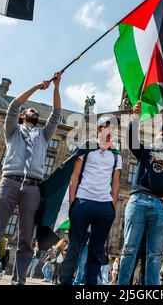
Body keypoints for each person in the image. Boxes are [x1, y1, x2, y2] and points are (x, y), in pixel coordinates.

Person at [0, 72, 62, 285]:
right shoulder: (12, 131)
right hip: (10, 180)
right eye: (29, 110)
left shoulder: (44, 135)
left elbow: (57, 112)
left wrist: (56, 86)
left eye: (35, 111)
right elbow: (14, 104)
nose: (33, 110)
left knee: (25, 239)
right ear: (23, 116)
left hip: (33, 187)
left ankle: (19, 281)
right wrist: (36, 87)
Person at [118, 101, 163, 285]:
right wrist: (135, 118)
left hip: (160, 206)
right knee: (129, 248)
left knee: (155, 254)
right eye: (162, 132)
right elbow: (131, 140)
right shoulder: (145, 151)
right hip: (138, 200)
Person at [59, 116, 122, 286]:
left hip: (104, 206)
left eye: (114, 127)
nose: (112, 129)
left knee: (96, 251)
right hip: (83, 201)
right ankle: (64, 282)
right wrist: (73, 203)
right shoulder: (87, 147)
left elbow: (116, 183)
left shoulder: (116, 154)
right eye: (109, 125)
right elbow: (75, 175)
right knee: (73, 248)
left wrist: (112, 206)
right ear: (100, 128)